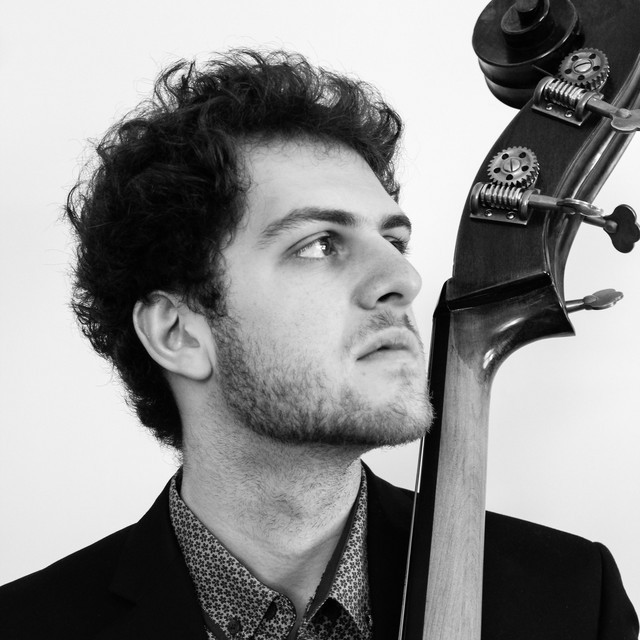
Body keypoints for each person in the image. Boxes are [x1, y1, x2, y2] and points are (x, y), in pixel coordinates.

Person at [0, 50, 637, 640]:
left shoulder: (573, 601)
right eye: (319, 245)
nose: (402, 279)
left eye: (395, 241)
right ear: (178, 332)